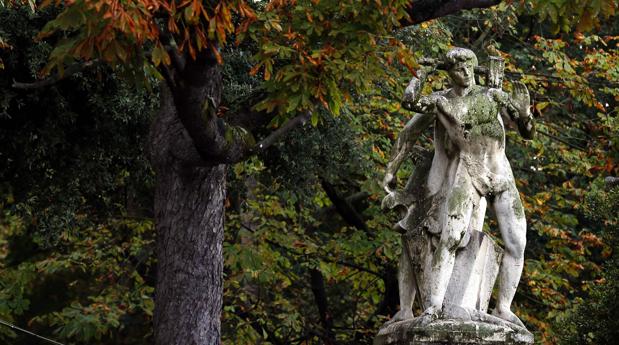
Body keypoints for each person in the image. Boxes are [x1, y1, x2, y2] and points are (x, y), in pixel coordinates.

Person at [382, 47, 534, 327]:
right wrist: (422, 72)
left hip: (500, 176)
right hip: (467, 172)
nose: (464, 73)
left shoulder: (492, 95)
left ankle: (503, 308)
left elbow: (526, 131)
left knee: (517, 243)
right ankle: (434, 307)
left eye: (468, 67)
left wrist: (525, 115)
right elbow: (410, 104)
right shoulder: (442, 101)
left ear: (475, 68)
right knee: (450, 237)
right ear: (449, 72)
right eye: (457, 69)